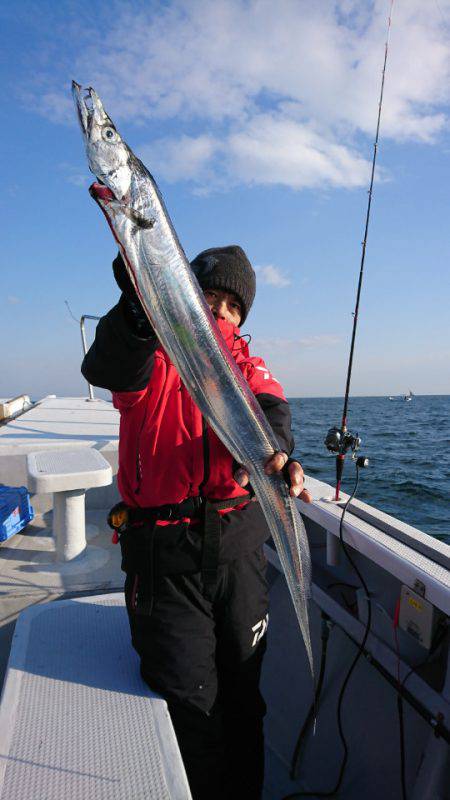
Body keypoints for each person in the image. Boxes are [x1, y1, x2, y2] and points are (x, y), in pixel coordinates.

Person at [81, 245, 311, 800]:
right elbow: (107, 366)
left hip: (240, 557)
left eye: (235, 305)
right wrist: (138, 307)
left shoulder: (252, 367)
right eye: (212, 296)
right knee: (193, 710)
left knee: (244, 700)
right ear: (187, 294)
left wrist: (280, 456)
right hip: (166, 563)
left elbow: (273, 418)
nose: (223, 312)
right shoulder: (154, 354)